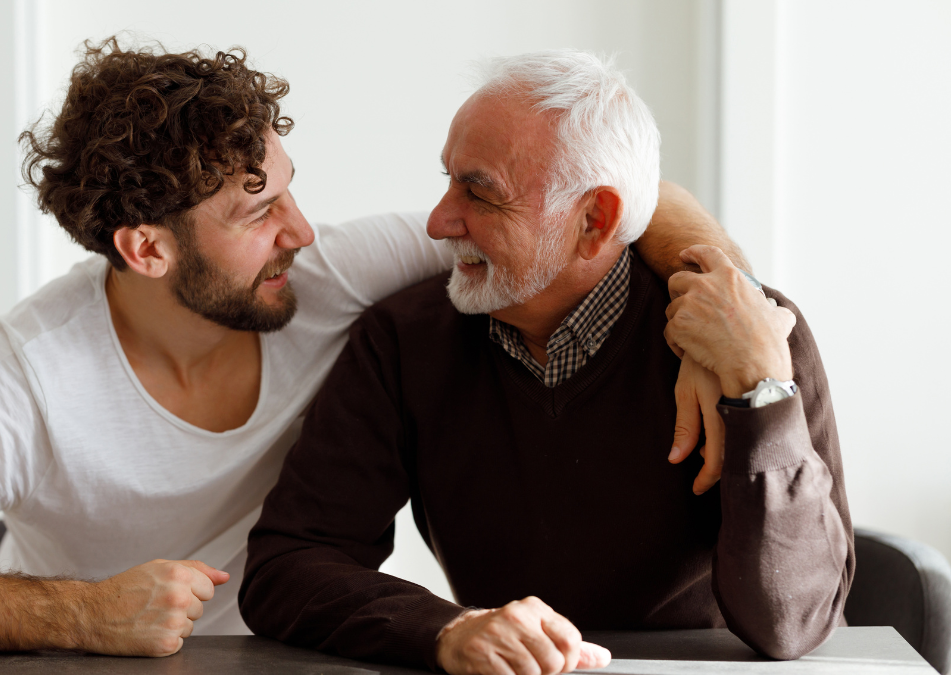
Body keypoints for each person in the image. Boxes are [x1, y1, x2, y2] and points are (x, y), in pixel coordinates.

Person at [0, 40, 745, 657]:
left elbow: (613, 204)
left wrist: (716, 312)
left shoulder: (328, 274)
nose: (301, 231)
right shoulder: (30, 375)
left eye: (288, 186)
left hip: (294, 653)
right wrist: (78, 615)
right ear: (147, 250)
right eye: (256, 209)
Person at [239, 50, 852, 674]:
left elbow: (791, 625)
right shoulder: (404, 342)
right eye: (448, 180)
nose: (438, 222)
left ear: (595, 221)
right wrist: (446, 629)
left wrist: (760, 392)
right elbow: (287, 566)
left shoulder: (754, 338)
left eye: (479, 193)